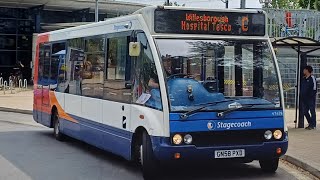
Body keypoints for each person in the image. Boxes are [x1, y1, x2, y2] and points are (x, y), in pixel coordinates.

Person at [301, 65, 317, 130]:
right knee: (305, 111)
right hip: (304, 99)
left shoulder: (312, 78)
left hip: (310, 98)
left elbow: (314, 88)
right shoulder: (304, 79)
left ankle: (313, 125)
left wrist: (311, 96)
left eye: (304, 69)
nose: (303, 71)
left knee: (312, 111)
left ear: (307, 70)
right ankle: (310, 123)